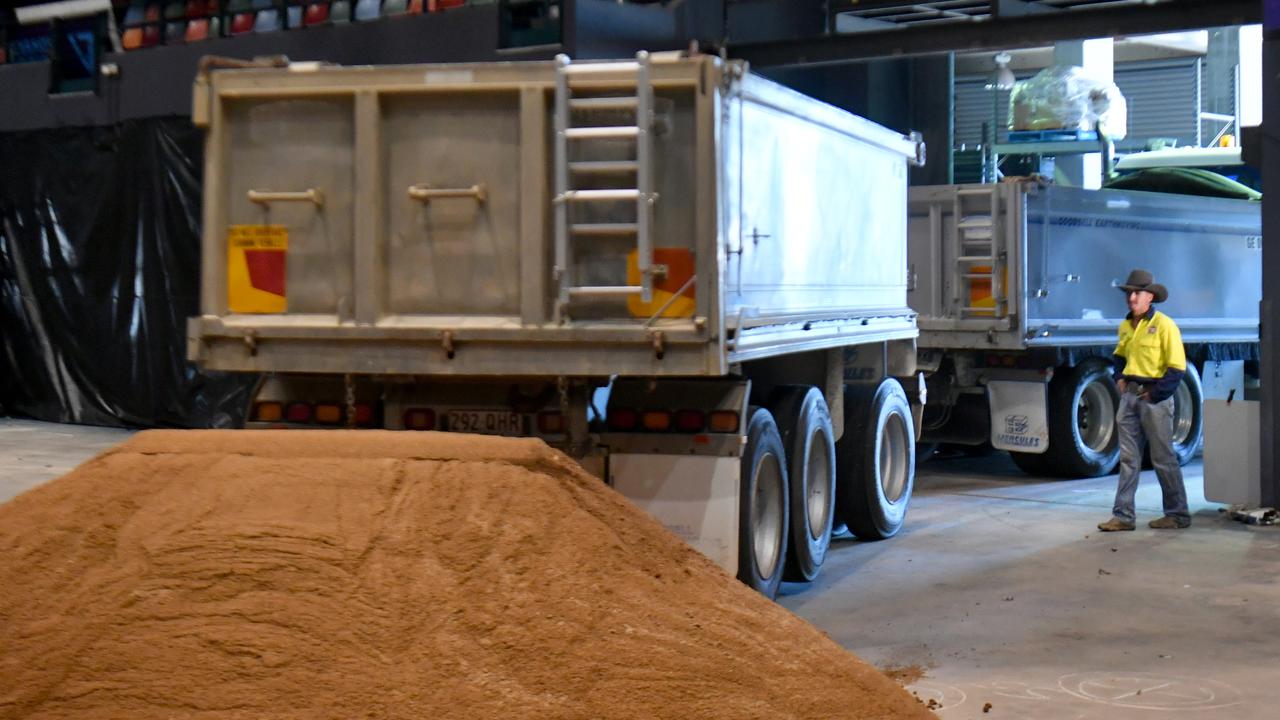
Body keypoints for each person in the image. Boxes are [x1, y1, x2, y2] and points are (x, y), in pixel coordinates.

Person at [1097, 269, 1192, 531]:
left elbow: (1176, 368)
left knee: (1163, 458)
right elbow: (1119, 356)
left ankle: (1178, 514)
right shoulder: (1127, 325)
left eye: (1136, 293)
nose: (1131, 298)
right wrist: (1119, 379)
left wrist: (1155, 395)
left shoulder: (1164, 325)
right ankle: (1123, 516)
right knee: (1128, 459)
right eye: (1129, 294)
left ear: (1150, 296)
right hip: (1130, 397)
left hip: (1153, 399)